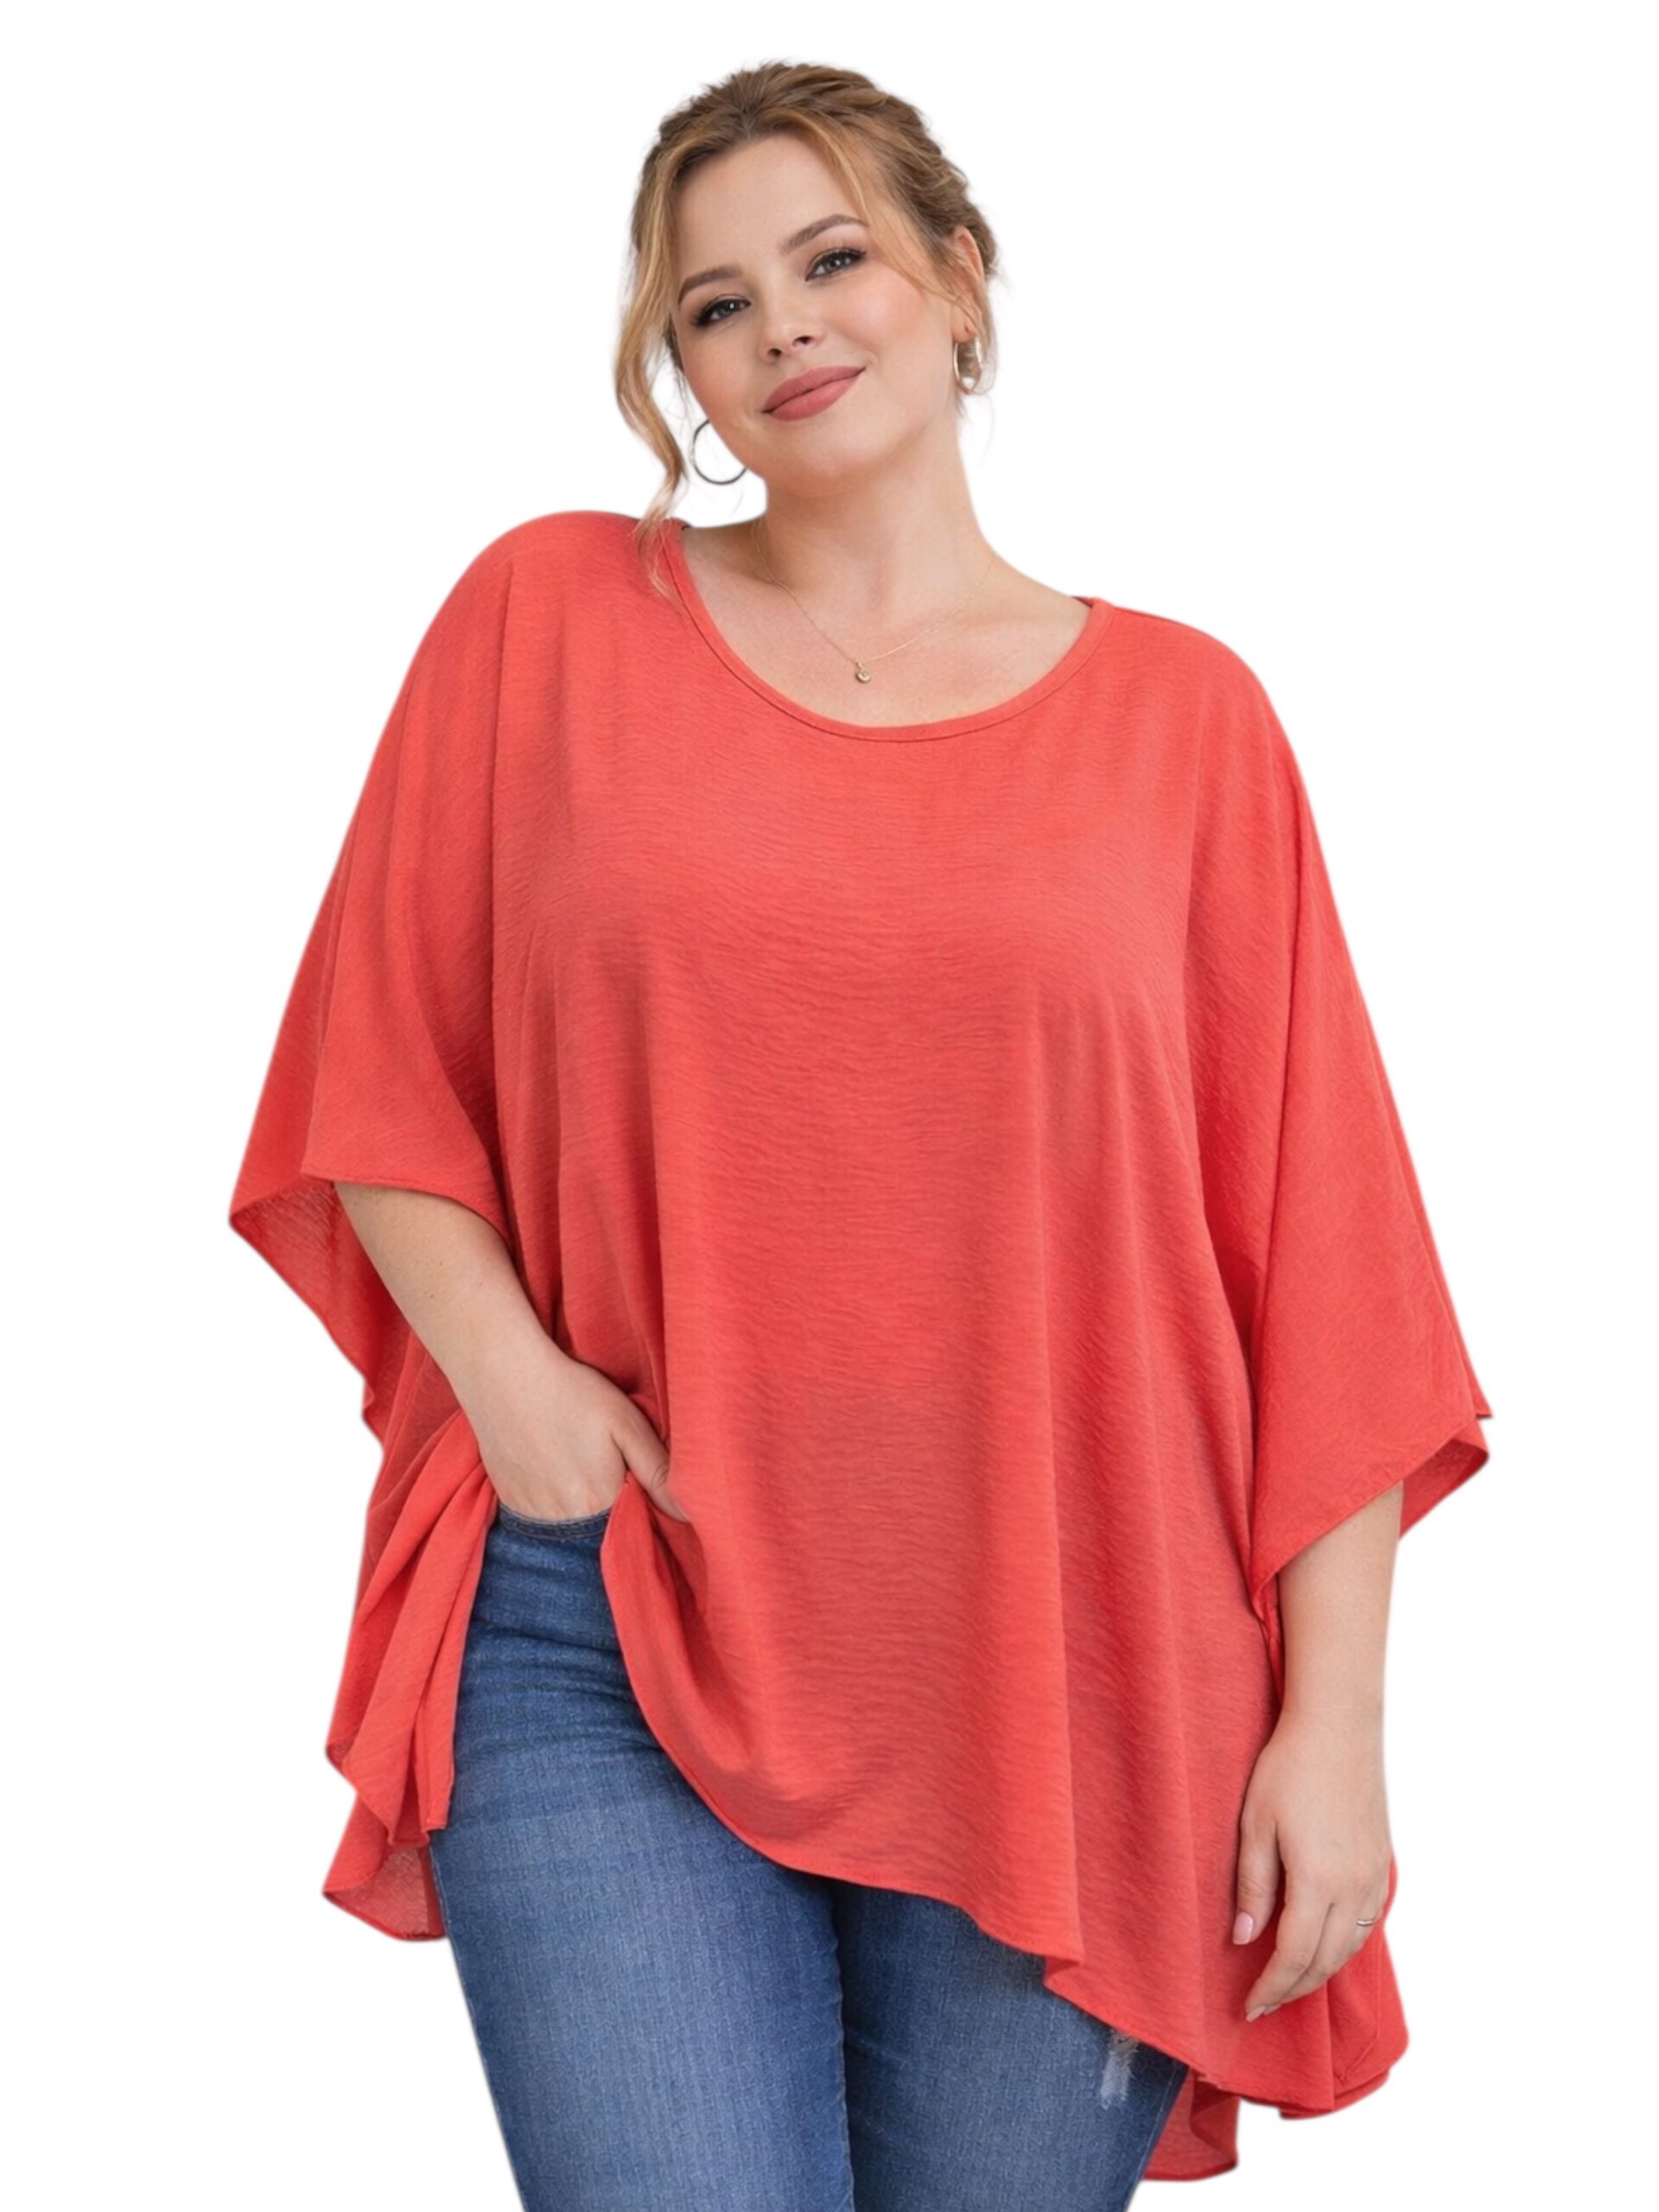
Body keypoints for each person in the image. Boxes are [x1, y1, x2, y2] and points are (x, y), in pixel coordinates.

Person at [228, 60, 1494, 2212]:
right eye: (715, 304)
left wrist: (1337, 1729)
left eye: (835, 259)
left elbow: (1326, 1259)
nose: (784, 326)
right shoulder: (552, 613)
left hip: (1069, 1663)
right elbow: (374, 1060)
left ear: (961, 280)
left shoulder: (1186, 723)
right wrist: (509, 1382)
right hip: (609, 1615)